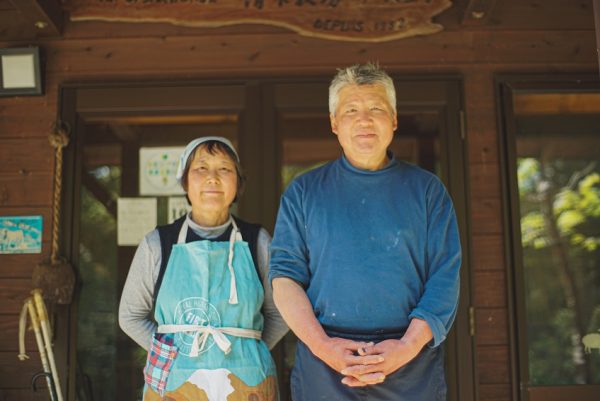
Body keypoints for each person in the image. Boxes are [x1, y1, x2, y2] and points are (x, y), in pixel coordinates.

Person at [269, 63, 461, 401]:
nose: (364, 120)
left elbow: (445, 276)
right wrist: (323, 346)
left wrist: (406, 346)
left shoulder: (428, 191)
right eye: (351, 110)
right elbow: (285, 279)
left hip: (410, 361)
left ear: (394, 119)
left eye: (376, 109)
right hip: (325, 362)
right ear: (334, 123)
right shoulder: (303, 192)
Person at [119, 136, 288, 401]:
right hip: (175, 379)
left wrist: (248, 351)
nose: (213, 177)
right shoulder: (158, 243)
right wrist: (169, 354)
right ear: (185, 181)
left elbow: (281, 312)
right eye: (201, 168)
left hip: (247, 382)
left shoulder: (258, 241)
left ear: (238, 183)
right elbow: (130, 315)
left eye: (224, 168)